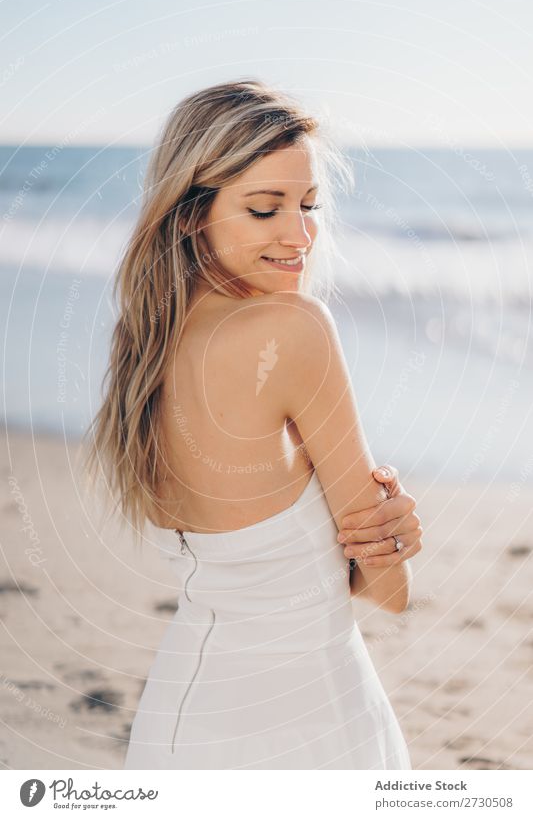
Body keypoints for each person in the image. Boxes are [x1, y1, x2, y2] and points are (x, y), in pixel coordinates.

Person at [82, 79, 423, 769]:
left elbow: (262, 572)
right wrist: (387, 531)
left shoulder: (144, 342)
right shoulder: (292, 329)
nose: (298, 235)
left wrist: (365, 535)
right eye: (265, 208)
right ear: (188, 214)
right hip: (306, 725)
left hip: (183, 724)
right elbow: (389, 593)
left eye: (307, 205)